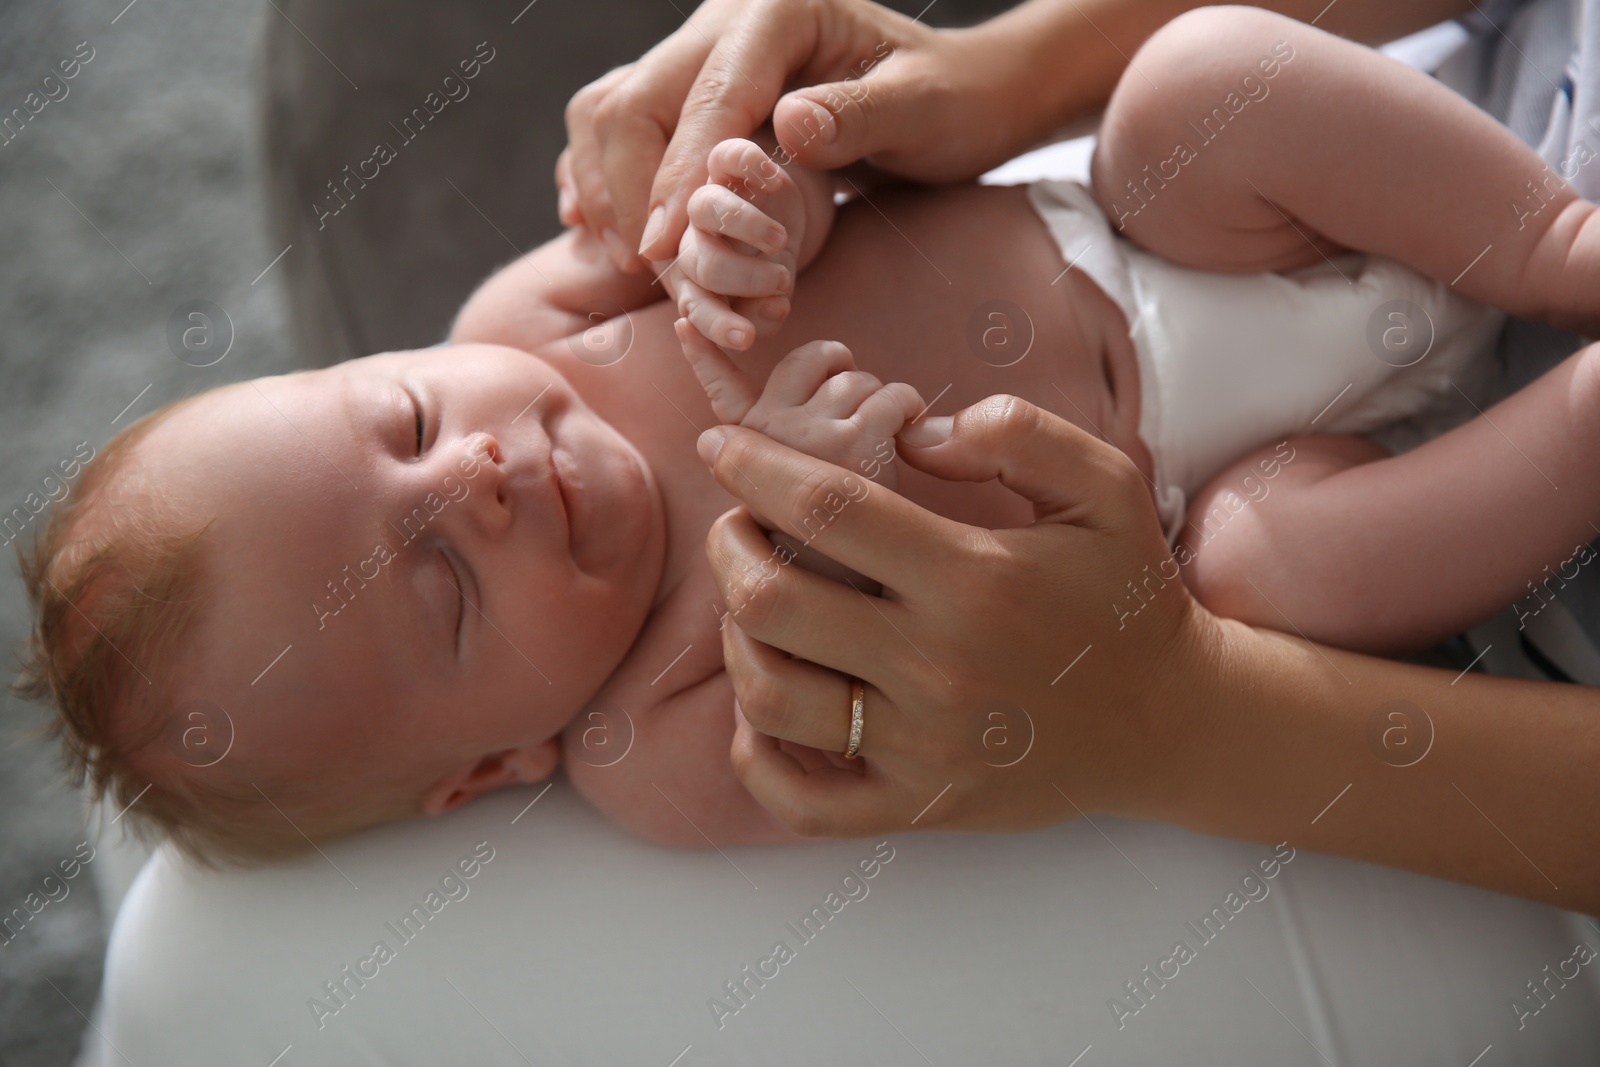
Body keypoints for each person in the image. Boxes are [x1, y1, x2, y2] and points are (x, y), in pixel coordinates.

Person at [563, 0, 1600, 912]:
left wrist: (753, 211)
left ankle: (1558, 246)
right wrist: (809, 539)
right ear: (484, 765)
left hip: (1163, 233)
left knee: (1192, 84)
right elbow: (830, 746)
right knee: (1264, 579)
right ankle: (1578, 420)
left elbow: (764, 199)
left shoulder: (535, 328)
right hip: (1223, 482)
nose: (474, 479)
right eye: (444, 595)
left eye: (411, 421)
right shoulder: (637, 748)